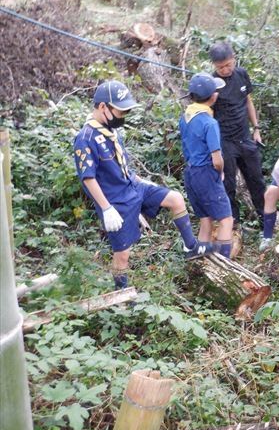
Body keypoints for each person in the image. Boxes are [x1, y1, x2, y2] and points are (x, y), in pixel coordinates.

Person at [73, 80, 215, 291]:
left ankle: (190, 247)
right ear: (103, 107)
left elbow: (120, 164)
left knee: (175, 199)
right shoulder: (85, 138)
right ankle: (122, 294)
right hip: (116, 201)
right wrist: (106, 208)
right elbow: (88, 178)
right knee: (122, 254)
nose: (124, 116)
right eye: (121, 111)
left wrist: (140, 180)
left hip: (133, 187)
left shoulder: (110, 130)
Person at [209, 42, 265, 227]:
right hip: (225, 141)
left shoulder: (241, 74)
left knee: (256, 180)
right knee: (228, 185)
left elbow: (248, 101)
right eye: (220, 67)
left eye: (228, 65)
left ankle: (266, 220)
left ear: (233, 59)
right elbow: (208, 114)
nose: (225, 70)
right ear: (214, 66)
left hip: (245, 137)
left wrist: (256, 128)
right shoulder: (211, 84)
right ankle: (233, 224)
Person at [178, 72, 234, 259]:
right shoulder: (209, 123)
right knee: (226, 220)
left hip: (191, 173)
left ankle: (201, 263)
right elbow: (217, 159)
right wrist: (220, 172)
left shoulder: (185, 118)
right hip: (206, 173)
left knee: (205, 220)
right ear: (213, 97)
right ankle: (226, 266)